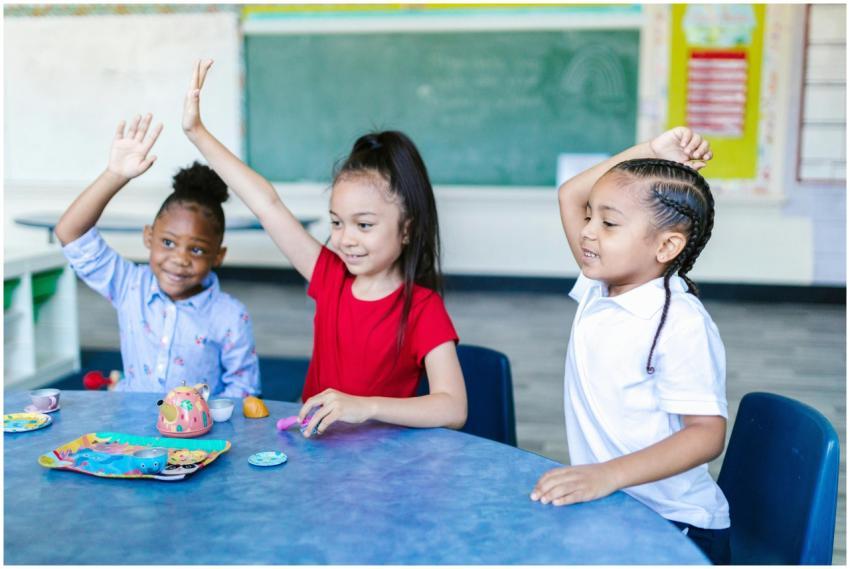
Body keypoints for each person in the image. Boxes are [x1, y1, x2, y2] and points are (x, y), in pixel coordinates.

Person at [182, 60, 466, 436]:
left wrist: (364, 407)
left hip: (383, 469)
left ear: (407, 229)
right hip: (316, 454)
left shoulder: (422, 308)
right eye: (336, 222)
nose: (346, 238)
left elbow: (453, 406)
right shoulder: (331, 275)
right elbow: (267, 203)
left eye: (364, 225)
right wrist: (197, 132)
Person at [531, 127, 730, 564]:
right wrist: (652, 151)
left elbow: (707, 434)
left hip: (678, 526)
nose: (587, 232)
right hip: (617, 505)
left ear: (667, 245)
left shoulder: (681, 322)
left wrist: (607, 476)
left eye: (608, 223)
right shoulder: (598, 287)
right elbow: (570, 194)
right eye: (590, 219)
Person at [55, 113, 260, 398]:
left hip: (196, 439)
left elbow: (244, 390)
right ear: (148, 237)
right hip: (128, 433)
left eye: (197, 249)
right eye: (168, 242)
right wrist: (114, 175)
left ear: (218, 256)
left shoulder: (230, 315)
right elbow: (70, 233)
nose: (180, 258)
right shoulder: (130, 285)